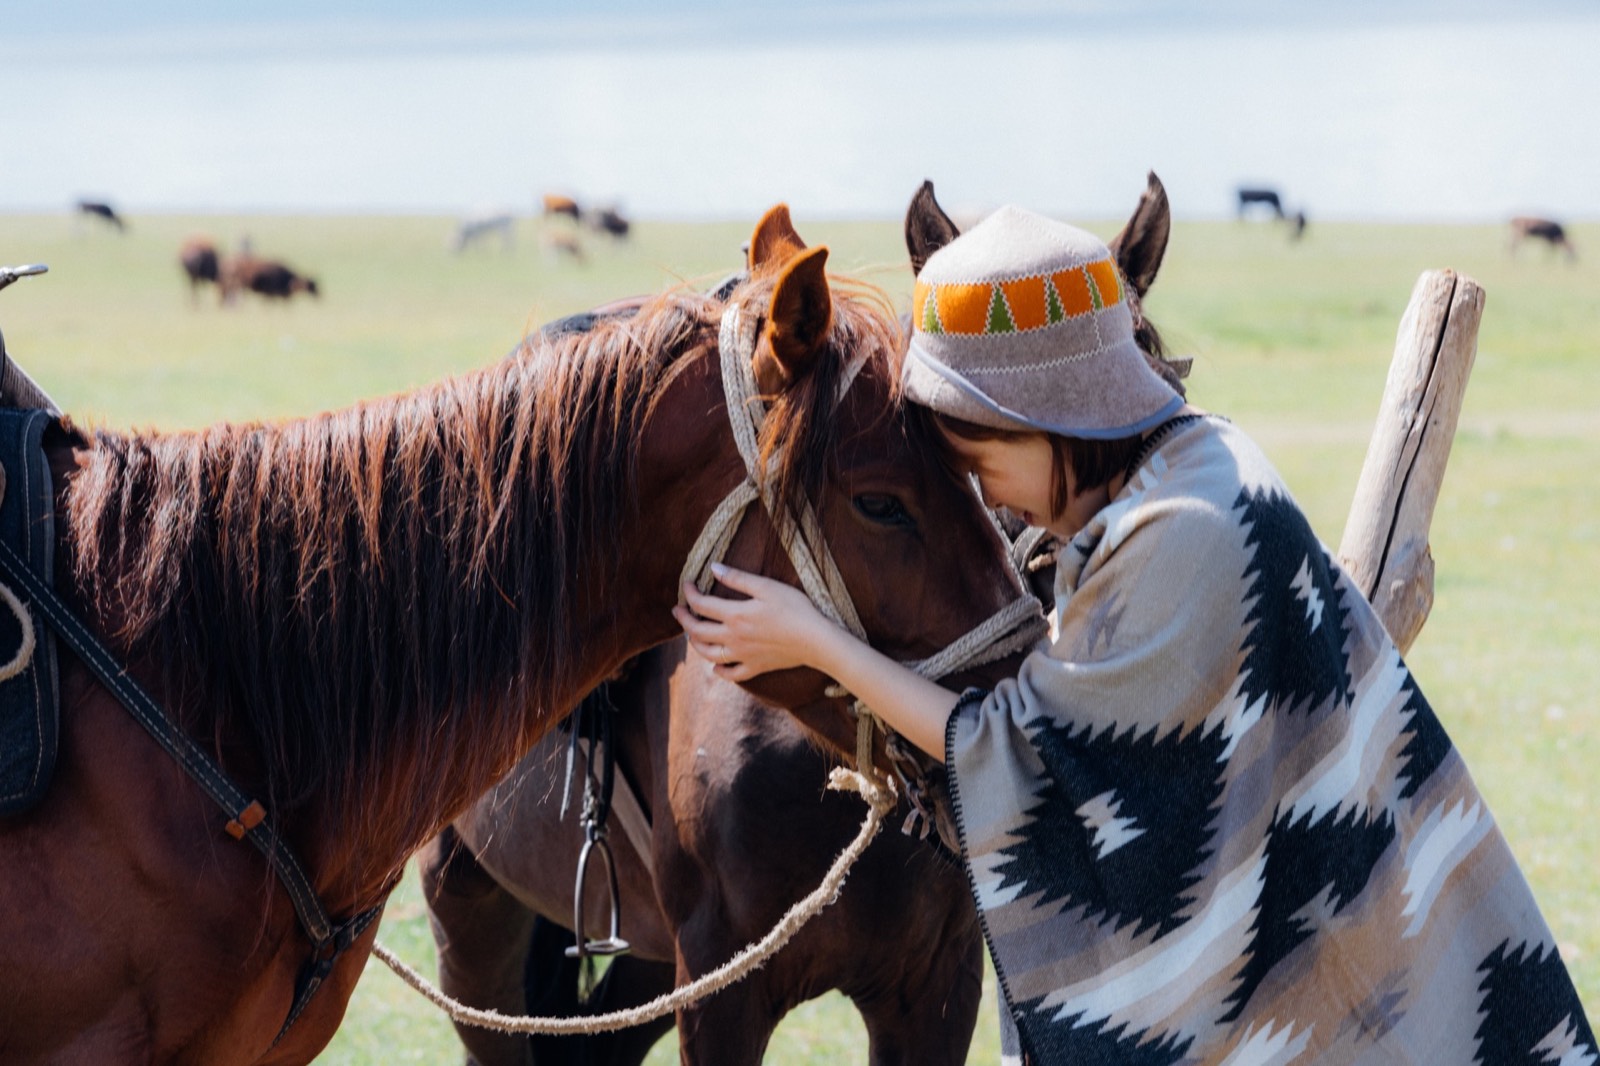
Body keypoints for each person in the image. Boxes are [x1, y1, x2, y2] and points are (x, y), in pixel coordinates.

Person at [676, 205, 1596, 1063]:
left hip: (1354, 973)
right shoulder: (1194, 469)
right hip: (1365, 939)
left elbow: (1026, 757)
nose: (992, 501)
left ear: (1044, 420)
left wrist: (821, 646)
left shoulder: (1179, 538)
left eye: (982, 464)